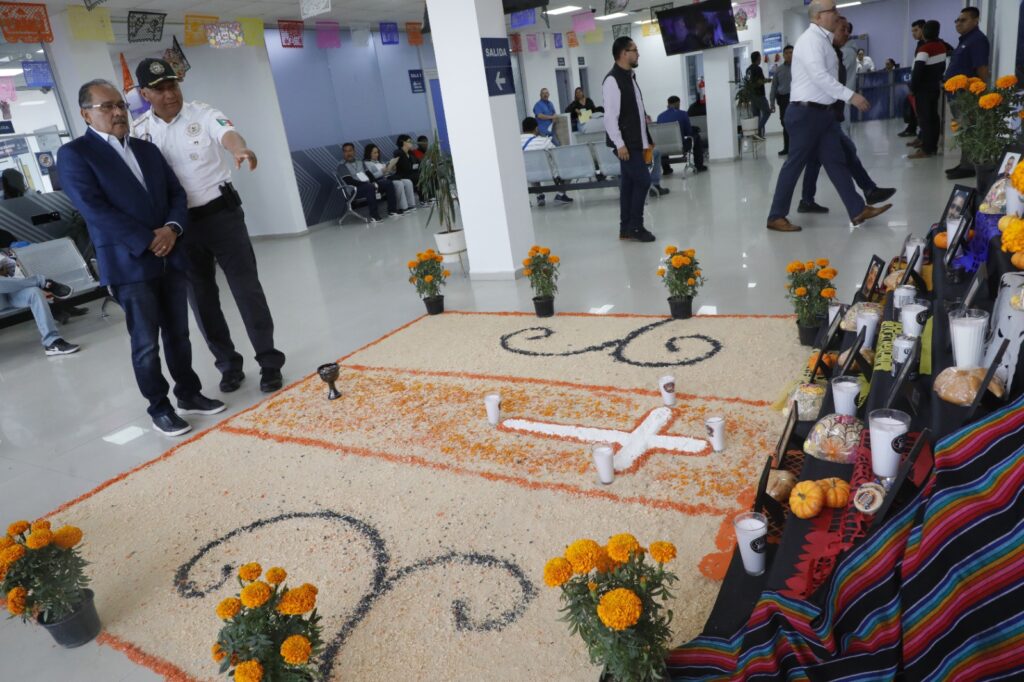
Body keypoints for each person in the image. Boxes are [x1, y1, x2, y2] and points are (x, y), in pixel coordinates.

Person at [59, 79, 224, 436]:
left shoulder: (147, 149)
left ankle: (189, 394)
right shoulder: (76, 154)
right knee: (146, 342)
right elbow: (94, 209)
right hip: (129, 263)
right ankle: (159, 408)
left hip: (171, 254)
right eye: (107, 107)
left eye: (120, 105)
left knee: (179, 334)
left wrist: (172, 229)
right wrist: (147, 240)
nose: (118, 112)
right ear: (86, 114)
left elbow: (176, 193)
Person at [134, 58, 285, 395]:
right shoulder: (139, 131)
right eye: (160, 89)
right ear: (145, 94)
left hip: (222, 216)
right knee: (202, 300)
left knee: (247, 290)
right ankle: (228, 365)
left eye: (173, 85)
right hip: (180, 227)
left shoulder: (202, 114)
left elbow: (227, 133)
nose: (170, 94)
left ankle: (269, 361)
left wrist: (240, 149)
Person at [765, 1, 891, 233]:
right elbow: (819, 76)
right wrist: (851, 96)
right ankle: (776, 216)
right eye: (832, 11)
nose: (837, 14)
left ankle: (857, 210)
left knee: (836, 161)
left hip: (822, 115)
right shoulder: (810, 40)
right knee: (794, 165)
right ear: (818, 17)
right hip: (805, 114)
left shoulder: (824, 41)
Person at [799, 16, 897, 214]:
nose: (847, 34)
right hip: (818, 115)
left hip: (828, 114)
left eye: (847, 30)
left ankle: (809, 201)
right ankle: (863, 198)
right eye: (842, 30)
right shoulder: (825, 51)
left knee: (822, 158)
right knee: (837, 156)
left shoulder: (837, 52)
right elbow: (824, 83)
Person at [603, 37, 656, 243]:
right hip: (626, 143)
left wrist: (646, 138)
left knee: (628, 184)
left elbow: (634, 109)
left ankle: (625, 227)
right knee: (643, 181)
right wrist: (620, 144)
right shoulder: (612, 80)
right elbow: (610, 116)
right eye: (635, 50)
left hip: (635, 140)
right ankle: (636, 226)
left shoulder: (629, 76)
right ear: (624, 53)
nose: (638, 54)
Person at [945, 7, 991, 180]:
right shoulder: (965, 40)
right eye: (957, 20)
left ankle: (969, 166)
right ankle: (966, 163)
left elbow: (982, 68)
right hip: (957, 95)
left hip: (967, 96)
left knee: (968, 130)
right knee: (964, 130)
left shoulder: (977, 40)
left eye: (963, 20)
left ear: (976, 20)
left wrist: (982, 93)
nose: (958, 23)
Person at [0, 256, 79, 356]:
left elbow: (9, 266)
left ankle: (52, 342)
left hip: (8, 293)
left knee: (34, 292)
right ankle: (43, 282)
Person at [908, 20, 947, 160]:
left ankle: (926, 149)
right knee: (933, 118)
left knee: (925, 119)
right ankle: (932, 146)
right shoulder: (941, 46)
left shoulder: (924, 49)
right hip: (934, 86)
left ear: (924, 32)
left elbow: (917, 71)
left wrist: (913, 88)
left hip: (923, 89)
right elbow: (942, 67)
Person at [520, 117, 572, 207]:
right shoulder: (544, 141)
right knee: (569, 167)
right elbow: (557, 155)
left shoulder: (514, 142)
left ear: (522, 129)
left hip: (526, 175)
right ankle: (560, 195)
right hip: (547, 174)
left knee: (530, 167)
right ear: (536, 128)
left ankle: (539, 195)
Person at [339, 142, 398, 220]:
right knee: (369, 187)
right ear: (343, 153)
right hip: (355, 190)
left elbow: (368, 174)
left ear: (354, 152)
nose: (348, 153)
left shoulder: (360, 162)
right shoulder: (342, 166)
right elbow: (349, 181)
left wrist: (374, 182)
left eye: (350, 150)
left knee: (387, 183)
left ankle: (392, 211)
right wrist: (367, 184)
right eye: (345, 151)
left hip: (368, 185)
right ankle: (374, 216)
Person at [655, 96, 707, 172]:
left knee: (664, 140)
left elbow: (660, 135)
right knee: (696, 136)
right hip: (680, 147)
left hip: (664, 148)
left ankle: (666, 169)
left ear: (668, 104)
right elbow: (688, 132)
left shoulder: (660, 117)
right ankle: (699, 166)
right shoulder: (683, 114)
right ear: (677, 103)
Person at [364, 144, 415, 212]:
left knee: (408, 182)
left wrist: (393, 168)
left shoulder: (379, 162)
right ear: (369, 153)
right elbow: (373, 176)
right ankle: (403, 207)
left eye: (377, 152)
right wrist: (382, 171)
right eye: (374, 153)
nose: (377, 154)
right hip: (381, 180)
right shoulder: (368, 163)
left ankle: (411, 205)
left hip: (389, 177)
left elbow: (389, 172)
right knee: (399, 184)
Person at [900, 19, 927, 138]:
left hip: (922, 83)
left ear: (923, 29)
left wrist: (914, 86)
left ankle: (920, 134)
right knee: (911, 106)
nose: (913, 34)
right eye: (912, 31)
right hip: (916, 80)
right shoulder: (920, 44)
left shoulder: (927, 44)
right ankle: (913, 129)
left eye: (916, 30)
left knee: (921, 111)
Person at [770, 45, 794, 156]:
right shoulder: (778, 70)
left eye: (791, 52)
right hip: (783, 99)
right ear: (783, 55)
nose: (789, 55)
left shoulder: (799, 67)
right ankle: (787, 148)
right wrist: (772, 103)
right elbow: (774, 86)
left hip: (796, 99)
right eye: (787, 53)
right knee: (785, 123)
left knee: (797, 123)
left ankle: (797, 148)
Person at [393, 134, 428, 205]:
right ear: (403, 143)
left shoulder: (411, 153)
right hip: (403, 175)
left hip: (412, 173)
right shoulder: (398, 153)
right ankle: (422, 199)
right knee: (418, 177)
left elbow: (418, 163)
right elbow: (405, 167)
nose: (411, 143)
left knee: (423, 174)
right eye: (409, 141)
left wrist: (415, 166)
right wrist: (414, 166)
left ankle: (429, 197)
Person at [745, 52, 770, 139]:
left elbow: (748, 83)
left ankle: (758, 135)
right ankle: (757, 131)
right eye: (760, 57)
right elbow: (760, 81)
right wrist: (768, 80)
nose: (761, 59)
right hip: (759, 95)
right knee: (767, 112)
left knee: (756, 117)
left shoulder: (748, 69)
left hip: (752, 96)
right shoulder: (758, 69)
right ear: (758, 58)